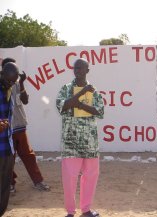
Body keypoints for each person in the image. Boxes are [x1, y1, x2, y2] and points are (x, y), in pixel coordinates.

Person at [56, 58, 104, 217]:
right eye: (75, 68)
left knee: (91, 176)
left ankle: (86, 209)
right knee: (69, 178)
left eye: (81, 68)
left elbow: (100, 112)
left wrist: (81, 105)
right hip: (71, 142)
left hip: (90, 142)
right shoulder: (66, 88)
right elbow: (62, 106)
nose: (77, 71)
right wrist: (82, 93)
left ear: (87, 70)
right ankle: (70, 212)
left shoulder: (94, 91)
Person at [1, 58, 50, 192]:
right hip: (4, 129)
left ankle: (38, 181)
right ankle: (10, 183)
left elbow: (25, 101)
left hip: (19, 126)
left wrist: (22, 83)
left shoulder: (17, 82)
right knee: (7, 158)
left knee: (28, 155)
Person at [0, 62, 19, 216]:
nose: (11, 84)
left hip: (7, 147)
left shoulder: (9, 89)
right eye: (9, 81)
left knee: (5, 185)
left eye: (14, 81)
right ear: (2, 75)